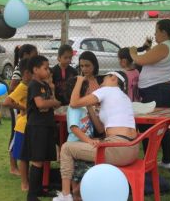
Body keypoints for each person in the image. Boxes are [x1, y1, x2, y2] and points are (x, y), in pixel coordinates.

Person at [53, 71, 139, 201]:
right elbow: (100, 128)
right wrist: (88, 104)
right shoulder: (125, 98)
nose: (100, 84)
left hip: (118, 150)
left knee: (66, 148)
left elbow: (74, 103)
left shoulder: (107, 90)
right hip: (132, 150)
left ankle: (65, 196)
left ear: (113, 78)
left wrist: (79, 81)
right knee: (95, 145)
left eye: (103, 80)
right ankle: (78, 191)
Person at [129, 19, 170, 169]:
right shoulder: (168, 46)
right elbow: (152, 60)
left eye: (156, 31)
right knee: (161, 127)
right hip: (162, 90)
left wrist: (133, 52)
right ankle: (165, 161)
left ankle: (148, 161)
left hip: (158, 92)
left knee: (146, 126)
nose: (155, 34)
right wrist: (148, 49)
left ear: (164, 32)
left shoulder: (164, 46)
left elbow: (140, 60)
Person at [22, 55, 61, 201]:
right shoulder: (34, 85)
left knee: (45, 158)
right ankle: (31, 195)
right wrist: (53, 102)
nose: (48, 70)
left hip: (47, 125)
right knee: (37, 159)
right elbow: (40, 104)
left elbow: (51, 101)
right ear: (35, 69)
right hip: (37, 126)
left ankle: (40, 189)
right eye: (45, 68)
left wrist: (52, 93)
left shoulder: (44, 85)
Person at [63, 77, 101, 201]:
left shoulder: (83, 107)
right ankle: (74, 194)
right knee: (76, 175)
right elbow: (74, 128)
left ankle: (77, 193)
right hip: (75, 144)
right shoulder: (74, 108)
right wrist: (89, 140)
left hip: (83, 143)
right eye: (87, 91)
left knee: (83, 174)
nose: (90, 93)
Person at [8, 44, 38, 175]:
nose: (36, 56)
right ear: (26, 55)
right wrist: (22, 101)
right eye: (34, 54)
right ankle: (13, 166)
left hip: (26, 110)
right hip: (18, 109)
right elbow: (11, 90)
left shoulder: (30, 68)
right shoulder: (21, 70)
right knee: (16, 136)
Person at [3, 59, 31, 191]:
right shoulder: (22, 87)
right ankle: (24, 183)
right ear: (27, 73)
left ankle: (30, 180)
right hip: (22, 127)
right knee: (23, 156)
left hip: (33, 126)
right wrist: (22, 107)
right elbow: (7, 102)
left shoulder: (34, 85)